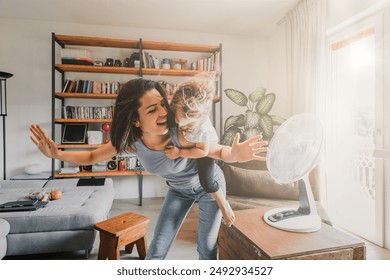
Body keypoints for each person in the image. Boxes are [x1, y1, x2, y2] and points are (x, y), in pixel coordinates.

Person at [30, 78, 268, 260]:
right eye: (152, 110)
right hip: (179, 190)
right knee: (158, 247)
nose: (164, 112)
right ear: (136, 120)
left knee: (206, 246)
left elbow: (216, 151)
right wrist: (56, 154)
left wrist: (236, 154)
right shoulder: (134, 142)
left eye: (162, 104)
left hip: (208, 187)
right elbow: (92, 155)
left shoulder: (181, 130)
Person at [166, 74, 235, 227]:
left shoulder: (202, 127)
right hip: (190, 141)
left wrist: (180, 152)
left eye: (184, 121)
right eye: (178, 118)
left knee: (207, 180)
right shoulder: (175, 110)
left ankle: (224, 204)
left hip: (202, 148)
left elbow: (202, 152)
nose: (179, 122)